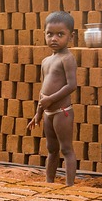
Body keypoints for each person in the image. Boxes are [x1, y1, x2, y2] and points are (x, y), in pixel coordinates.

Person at [27, 11, 79, 186]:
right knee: (51, 149)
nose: (54, 38)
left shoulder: (67, 59)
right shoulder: (45, 61)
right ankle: (49, 182)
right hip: (48, 113)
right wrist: (38, 113)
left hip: (62, 112)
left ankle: (70, 185)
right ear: (44, 34)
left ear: (71, 36)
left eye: (60, 34)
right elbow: (43, 90)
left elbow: (71, 85)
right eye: (49, 34)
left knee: (66, 149)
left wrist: (50, 100)